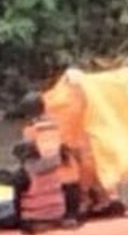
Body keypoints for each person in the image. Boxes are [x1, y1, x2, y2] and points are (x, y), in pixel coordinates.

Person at [20, 92, 82, 225]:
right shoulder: (59, 122)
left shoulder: (30, 130)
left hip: (53, 182)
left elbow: (29, 156)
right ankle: (72, 217)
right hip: (71, 174)